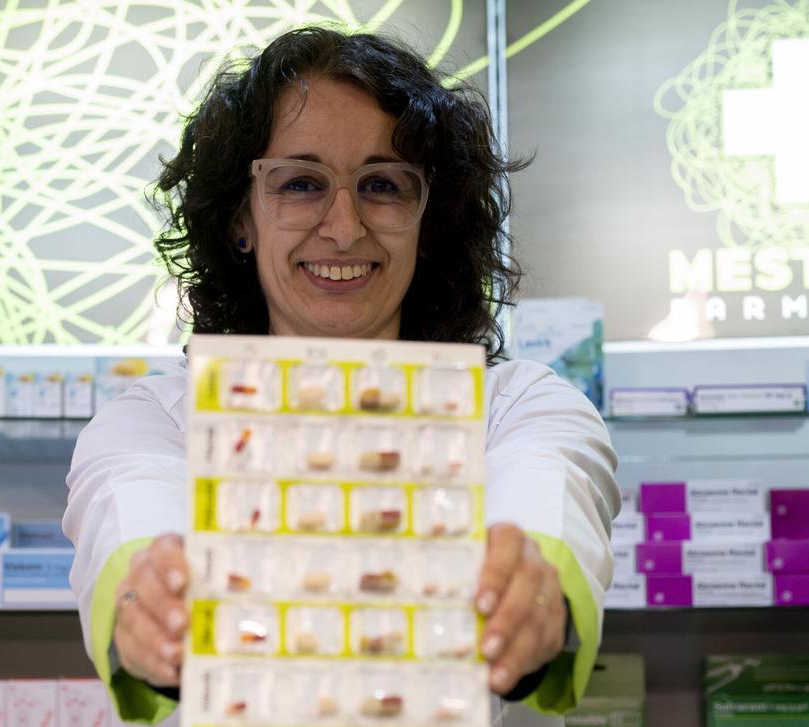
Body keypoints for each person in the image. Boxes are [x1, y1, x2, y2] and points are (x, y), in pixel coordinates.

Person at [63, 26, 619, 727]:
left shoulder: (523, 407)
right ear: (241, 217)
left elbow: (547, 495)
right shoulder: (152, 420)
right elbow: (132, 513)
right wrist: (148, 602)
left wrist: (534, 588)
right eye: (300, 183)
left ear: (428, 218)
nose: (345, 226)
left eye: (383, 185)